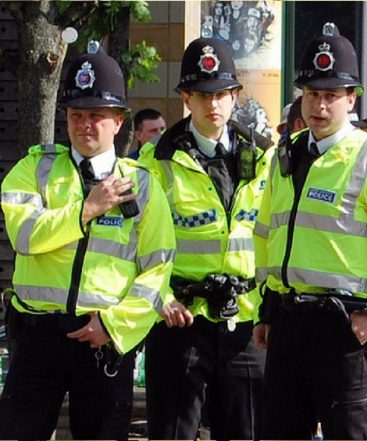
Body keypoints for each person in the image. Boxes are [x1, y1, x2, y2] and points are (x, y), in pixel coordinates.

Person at [253, 22, 367, 440]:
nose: (320, 105)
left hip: (343, 328)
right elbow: (266, 237)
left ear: (351, 99)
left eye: (332, 95)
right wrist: (266, 310)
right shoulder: (286, 156)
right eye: (312, 93)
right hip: (288, 322)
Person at [0, 42, 175, 440]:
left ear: (118, 122)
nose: (85, 125)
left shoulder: (143, 186)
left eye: (97, 115)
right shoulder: (34, 168)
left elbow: (158, 270)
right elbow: (24, 236)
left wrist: (113, 326)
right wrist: (86, 210)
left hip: (103, 341)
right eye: (76, 115)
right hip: (37, 335)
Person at [138, 37, 274, 440]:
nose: (211, 104)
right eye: (200, 94)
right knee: (172, 433)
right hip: (180, 318)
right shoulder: (156, 161)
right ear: (185, 98)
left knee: (246, 433)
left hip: (246, 321)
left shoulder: (266, 158)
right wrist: (159, 296)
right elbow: (136, 242)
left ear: (235, 96)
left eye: (220, 94)